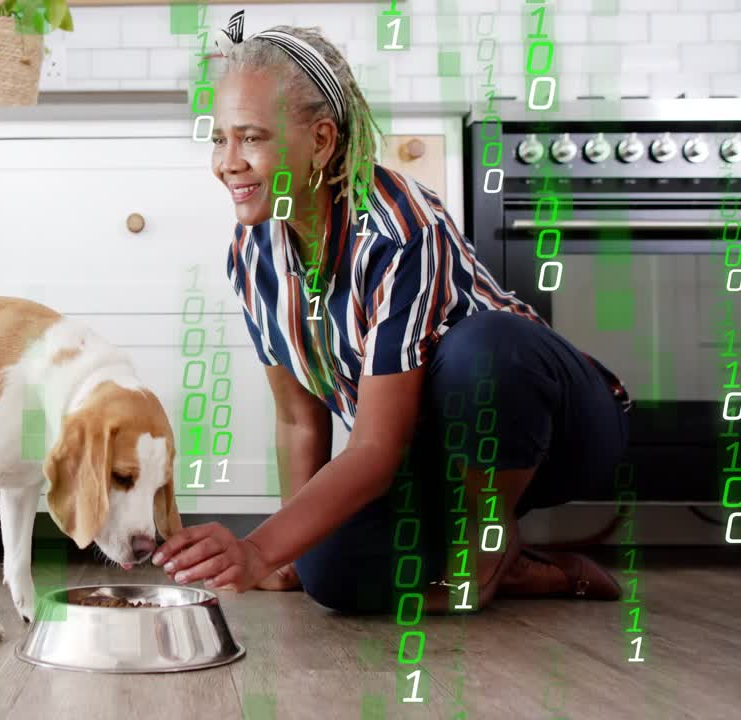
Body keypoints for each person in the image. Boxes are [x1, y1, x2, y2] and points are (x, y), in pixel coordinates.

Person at [153, 13, 629, 613]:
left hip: (561, 432)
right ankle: (523, 569)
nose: (228, 162)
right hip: (432, 458)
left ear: (321, 141)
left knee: (483, 351)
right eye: (219, 138)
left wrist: (254, 549)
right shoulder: (252, 255)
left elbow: (374, 448)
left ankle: (477, 566)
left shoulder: (400, 228)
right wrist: (285, 557)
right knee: (332, 573)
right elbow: (301, 421)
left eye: (251, 137)